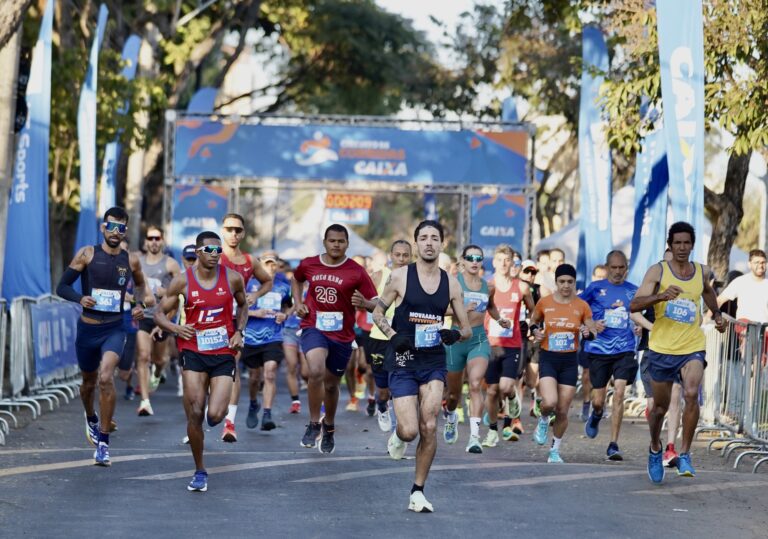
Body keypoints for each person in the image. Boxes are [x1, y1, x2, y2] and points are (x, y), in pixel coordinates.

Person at [373, 220, 471, 513]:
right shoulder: (401, 277)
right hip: (403, 360)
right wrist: (393, 336)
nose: (429, 243)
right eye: (424, 238)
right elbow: (378, 312)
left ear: (442, 244)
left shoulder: (451, 283)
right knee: (409, 430)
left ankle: (417, 491)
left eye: (434, 238)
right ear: (416, 244)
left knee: (429, 425)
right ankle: (397, 435)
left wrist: (454, 334)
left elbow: (466, 329)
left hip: (433, 362)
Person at [56, 206, 154, 466]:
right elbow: (62, 286)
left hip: (114, 328)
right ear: (103, 227)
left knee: (106, 377)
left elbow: (142, 286)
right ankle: (91, 417)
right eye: (111, 226)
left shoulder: (130, 259)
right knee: (88, 383)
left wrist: (140, 305)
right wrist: (80, 298)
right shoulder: (87, 254)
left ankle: (104, 444)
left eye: (121, 228)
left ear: (125, 231)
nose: (115, 232)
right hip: (88, 329)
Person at [630, 221, 726, 483]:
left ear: (692, 245)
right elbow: (634, 305)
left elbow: (707, 292)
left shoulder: (698, 272)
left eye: (687, 243)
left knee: (692, 393)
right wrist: (660, 297)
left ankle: (685, 453)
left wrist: (716, 314)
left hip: (692, 345)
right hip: (661, 348)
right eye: (678, 243)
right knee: (659, 409)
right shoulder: (657, 271)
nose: (682, 247)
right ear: (670, 246)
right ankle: (654, 447)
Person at [153, 231, 248, 492]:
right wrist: (175, 328)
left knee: (215, 415)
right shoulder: (182, 282)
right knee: (195, 412)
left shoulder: (233, 278)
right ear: (197, 252)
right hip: (193, 351)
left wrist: (240, 331)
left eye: (219, 251)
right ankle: (199, 470)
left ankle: (212, 420)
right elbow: (159, 313)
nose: (215, 255)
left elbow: (243, 306)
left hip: (222, 353)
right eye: (210, 250)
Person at [292, 224, 378, 453]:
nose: (336, 245)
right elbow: (297, 278)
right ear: (325, 242)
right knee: (316, 370)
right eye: (332, 241)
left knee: (331, 385)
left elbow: (377, 302)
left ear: (347, 244)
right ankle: (312, 424)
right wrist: (298, 303)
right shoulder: (309, 263)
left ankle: (328, 426)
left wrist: (365, 304)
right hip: (314, 327)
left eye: (341, 241)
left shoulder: (356, 271)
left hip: (342, 334)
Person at [579, 251, 649, 460]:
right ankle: (597, 414)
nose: (618, 272)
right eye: (614, 268)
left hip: (624, 349)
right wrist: (590, 324)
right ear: (607, 267)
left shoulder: (633, 291)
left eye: (622, 268)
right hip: (599, 350)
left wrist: (640, 328)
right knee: (598, 400)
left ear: (626, 268)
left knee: (619, 392)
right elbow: (577, 310)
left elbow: (641, 317)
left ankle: (613, 444)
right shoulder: (595, 288)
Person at [443, 245, 508, 454]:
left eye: (478, 258)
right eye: (470, 257)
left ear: (482, 262)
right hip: (456, 338)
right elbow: (439, 308)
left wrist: (500, 319)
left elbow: (490, 306)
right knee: (453, 395)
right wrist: (460, 309)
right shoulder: (453, 283)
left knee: (474, 384)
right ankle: (451, 415)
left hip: (478, 339)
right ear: (462, 260)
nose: (474, 261)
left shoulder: (488, 286)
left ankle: (474, 437)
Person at [529, 264, 596, 463]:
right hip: (549, 357)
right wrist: (535, 331)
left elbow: (592, 330)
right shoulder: (545, 302)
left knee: (562, 410)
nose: (566, 285)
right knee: (549, 402)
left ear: (575, 283)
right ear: (556, 282)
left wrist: (587, 333)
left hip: (569, 360)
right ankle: (542, 419)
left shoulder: (582, 305)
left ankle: (554, 450)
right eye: (562, 282)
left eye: (570, 282)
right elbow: (533, 320)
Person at [219, 213, 273, 442]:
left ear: (243, 233)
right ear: (222, 230)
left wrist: (255, 294)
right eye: (229, 229)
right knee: (203, 371)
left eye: (238, 230)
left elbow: (267, 281)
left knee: (233, 366)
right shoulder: (214, 256)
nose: (233, 233)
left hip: (237, 321)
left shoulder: (249, 261)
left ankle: (229, 423)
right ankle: (196, 422)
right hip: (212, 321)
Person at [482, 246, 534, 446]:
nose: (504, 264)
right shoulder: (487, 286)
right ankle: (494, 430)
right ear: (493, 262)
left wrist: (532, 326)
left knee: (505, 386)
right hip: (491, 344)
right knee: (492, 391)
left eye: (507, 260)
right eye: (500, 260)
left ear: (513, 263)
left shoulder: (521, 287)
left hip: (512, 345)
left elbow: (534, 311)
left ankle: (512, 397)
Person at [135, 225, 181, 416]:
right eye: (150, 238)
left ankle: (157, 372)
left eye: (157, 238)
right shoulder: (137, 262)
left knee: (159, 359)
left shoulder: (170, 264)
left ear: (162, 241)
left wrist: (167, 292)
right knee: (144, 356)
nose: (154, 242)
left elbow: (182, 290)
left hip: (162, 317)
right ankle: (145, 401)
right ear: (146, 242)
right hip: (144, 316)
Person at [242, 252, 291, 431]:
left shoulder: (283, 286)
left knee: (270, 373)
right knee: (254, 377)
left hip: (273, 336)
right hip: (251, 338)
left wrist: (284, 314)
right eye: (266, 264)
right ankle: (254, 403)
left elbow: (290, 305)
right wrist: (255, 313)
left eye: (273, 264)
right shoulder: (248, 284)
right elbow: (236, 309)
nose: (270, 267)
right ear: (259, 265)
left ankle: (267, 414)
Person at [366, 240, 412, 432]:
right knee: (383, 390)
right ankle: (382, 406)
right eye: (397, 255)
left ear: (411, 257)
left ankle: (401, 426)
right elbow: (366, 304)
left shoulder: (416, 278)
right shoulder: (379, 276)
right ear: (390, 256)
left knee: (401, 386)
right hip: (380, 338)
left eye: (405, 255)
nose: (401, 259)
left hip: (404, 340)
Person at [578, 264, 608, 421]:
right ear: (593, 277)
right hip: (590, 337)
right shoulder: (590, 290)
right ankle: (586, 403)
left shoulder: (611, 292)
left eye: (604, 277)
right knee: (587, 373)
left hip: (608, 338)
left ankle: (601, 404)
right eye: (598, 276)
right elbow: (576, 309)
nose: (601, 280)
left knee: (605, 373)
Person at [717, 249, 768, 323]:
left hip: (764, 330)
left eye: (763, 262)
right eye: (757, 262)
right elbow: (719, 300)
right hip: (743, 329)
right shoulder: (740, 282)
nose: (760, 265)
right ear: (749, 264)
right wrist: (707, 318)